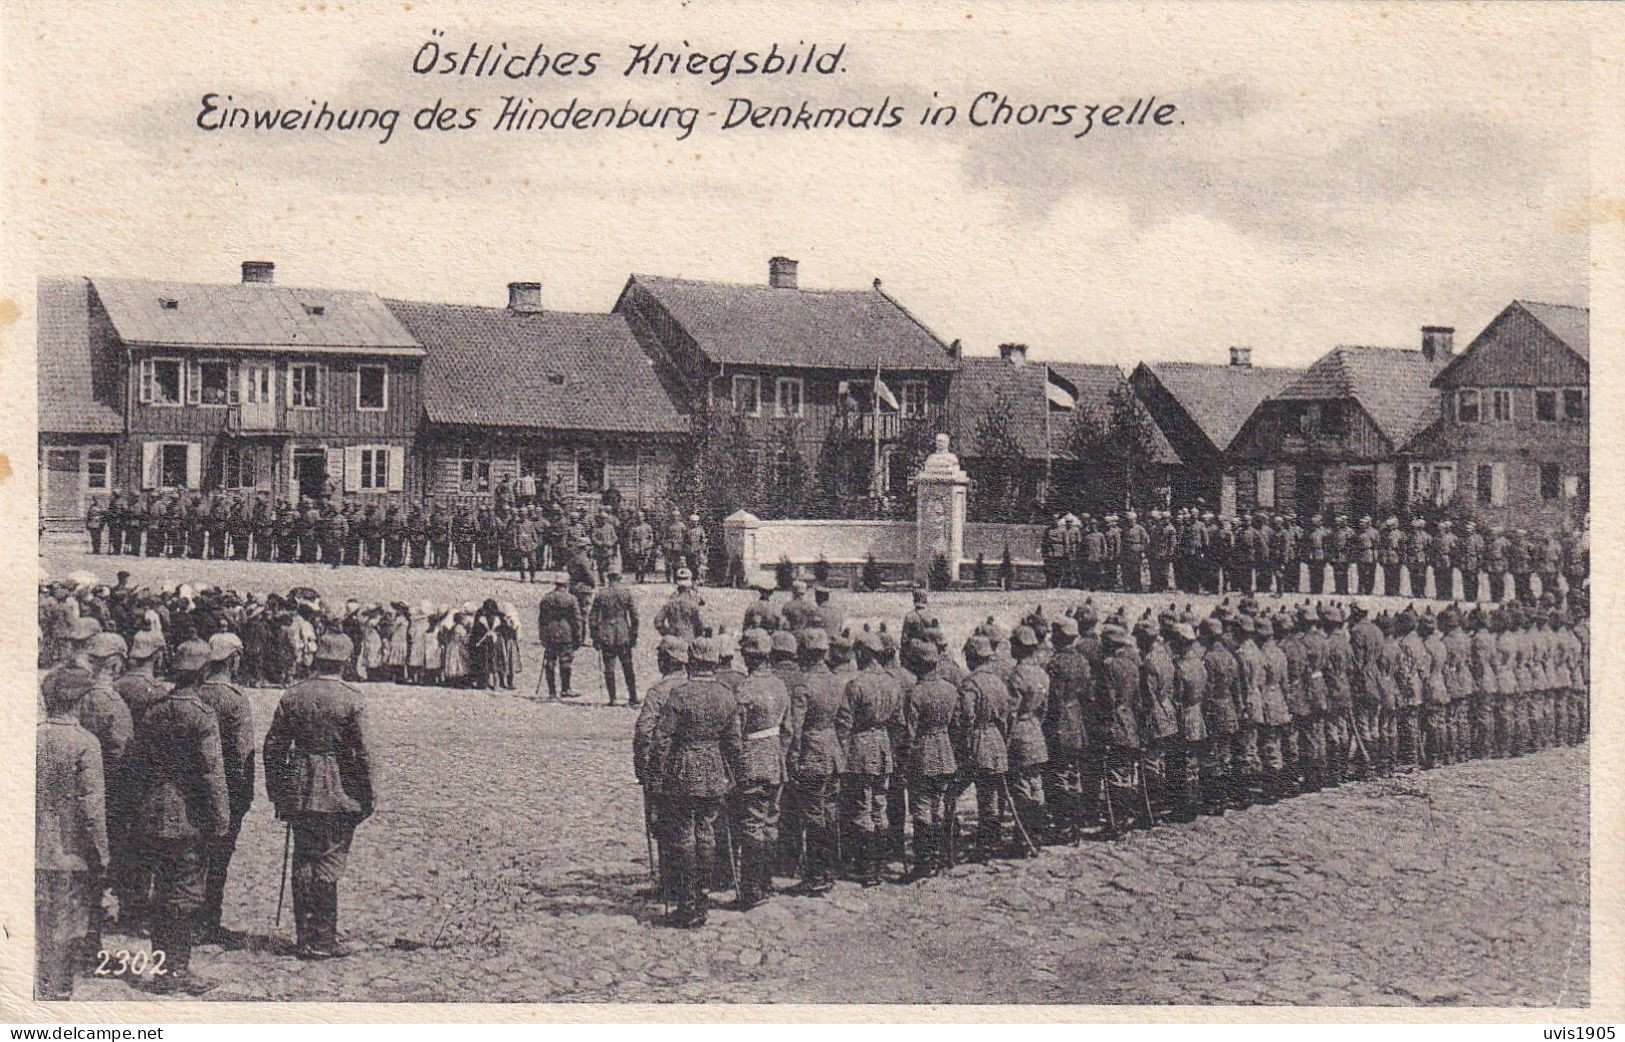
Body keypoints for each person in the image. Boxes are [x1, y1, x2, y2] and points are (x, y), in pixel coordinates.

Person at [263, 632, 379, 960]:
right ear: (345, 661)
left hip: (299, 785)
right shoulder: (352, 699)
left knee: (304, 856)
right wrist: (370, 793)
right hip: (338, 786)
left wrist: (277, 790)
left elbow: (273, 747)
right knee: (329, 858)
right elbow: (366, 752)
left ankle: (304, 936)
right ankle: (323, 938)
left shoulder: (293, 695)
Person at [125, 638, 229, 993]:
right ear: (203, 672)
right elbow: (212, 772)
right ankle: (178, 971)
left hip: (152, 811)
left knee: (160, 890)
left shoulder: (155, 710)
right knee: (185, 893)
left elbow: (137, 764)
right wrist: (220, 818)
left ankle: (162, 967)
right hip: (188, 814)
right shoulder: (201, 714)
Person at [648, 636, 742, 928]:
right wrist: (735, 774)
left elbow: (662, 739)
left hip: (684, 769)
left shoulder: (680, 695)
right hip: (714, 769)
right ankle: (703, 899)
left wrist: (656, 773)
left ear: (690, 661)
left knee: (684, 835)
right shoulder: (726, 695)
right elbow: (734, 742)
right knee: (707, 833)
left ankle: (687, 903)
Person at [36, 669, 110, 1001]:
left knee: (37, 923)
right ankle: (57, 995)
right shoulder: (85, 743)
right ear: (79, 702)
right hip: (71, 855)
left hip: (32, 850)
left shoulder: (31, 737)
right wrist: (102, 855)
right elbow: (91, 808)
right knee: (65, 929)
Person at [192, 632, 255, 945]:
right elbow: (244, 752)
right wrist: (245, 794)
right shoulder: (234, 700)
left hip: (192, 785)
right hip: (227, 787)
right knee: (218, 858)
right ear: (233, 660)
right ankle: (208, 920)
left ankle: (188, 918)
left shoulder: (195, 693)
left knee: (193, 855)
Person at [731, 629, 792, 909]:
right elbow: (788, 730)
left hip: (752, 761)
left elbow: (735, 733)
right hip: (775, 760)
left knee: (752, 823)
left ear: (748, 656)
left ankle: (751, 889)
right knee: (770, 820)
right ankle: (766, 881)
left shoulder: (745, 689)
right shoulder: (780, 686)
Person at [835, 631, 902, 885]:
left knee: (862, 806)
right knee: (879, 806)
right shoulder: (891, 682)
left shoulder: (857, 684)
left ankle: (866, 867)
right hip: (883, 746)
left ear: (863, 653)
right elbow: (898, 722)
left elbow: (844, 724)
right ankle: (880, 863)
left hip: (861, 748)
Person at [634, 636, 690, 904]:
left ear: (666, 660)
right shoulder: (695, 686)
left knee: (666, 826)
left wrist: (643, 768)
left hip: (666, 768)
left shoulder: (659, 692)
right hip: (698, 767)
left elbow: (645, 732)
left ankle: (670, 884)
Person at [787, 628, 842, 895]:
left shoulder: (804, 685)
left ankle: (816, 873)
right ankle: (829, 869)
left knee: (812, 814)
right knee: (830, 812)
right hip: (833, 753)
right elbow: (843, 721)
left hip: (812, 752)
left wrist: (794, 757)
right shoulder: (835, 680)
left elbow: (795, 729)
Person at [589, 570, 640, 706]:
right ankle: (633, 697)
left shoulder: (601, 594)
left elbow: (593, 617)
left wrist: (594, 636)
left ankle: (613, 698)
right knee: (628, 667)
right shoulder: (626, 593)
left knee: (609, 667)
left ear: (608, 578)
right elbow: (634, 616)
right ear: (619, 577)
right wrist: (634, 634)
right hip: (623, 632)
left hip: (606, 632)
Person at [537, 579, 584, 700]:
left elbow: (542, 619)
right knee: (566, 661)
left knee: (550, 661)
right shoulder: (571, 599)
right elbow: (577, 619)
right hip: (566, 632)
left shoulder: (546, 598)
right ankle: (565, 689)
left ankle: (551, 691)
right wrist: (578, 636)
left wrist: (542, 636)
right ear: (566, 585)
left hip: (550, 632)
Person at [654, 570, 706, 640]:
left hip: (673, 640)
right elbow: (701, 624)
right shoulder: (694, 601)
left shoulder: (671, 601)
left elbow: (658, 621)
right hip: (690, 640)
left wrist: (667, 634)